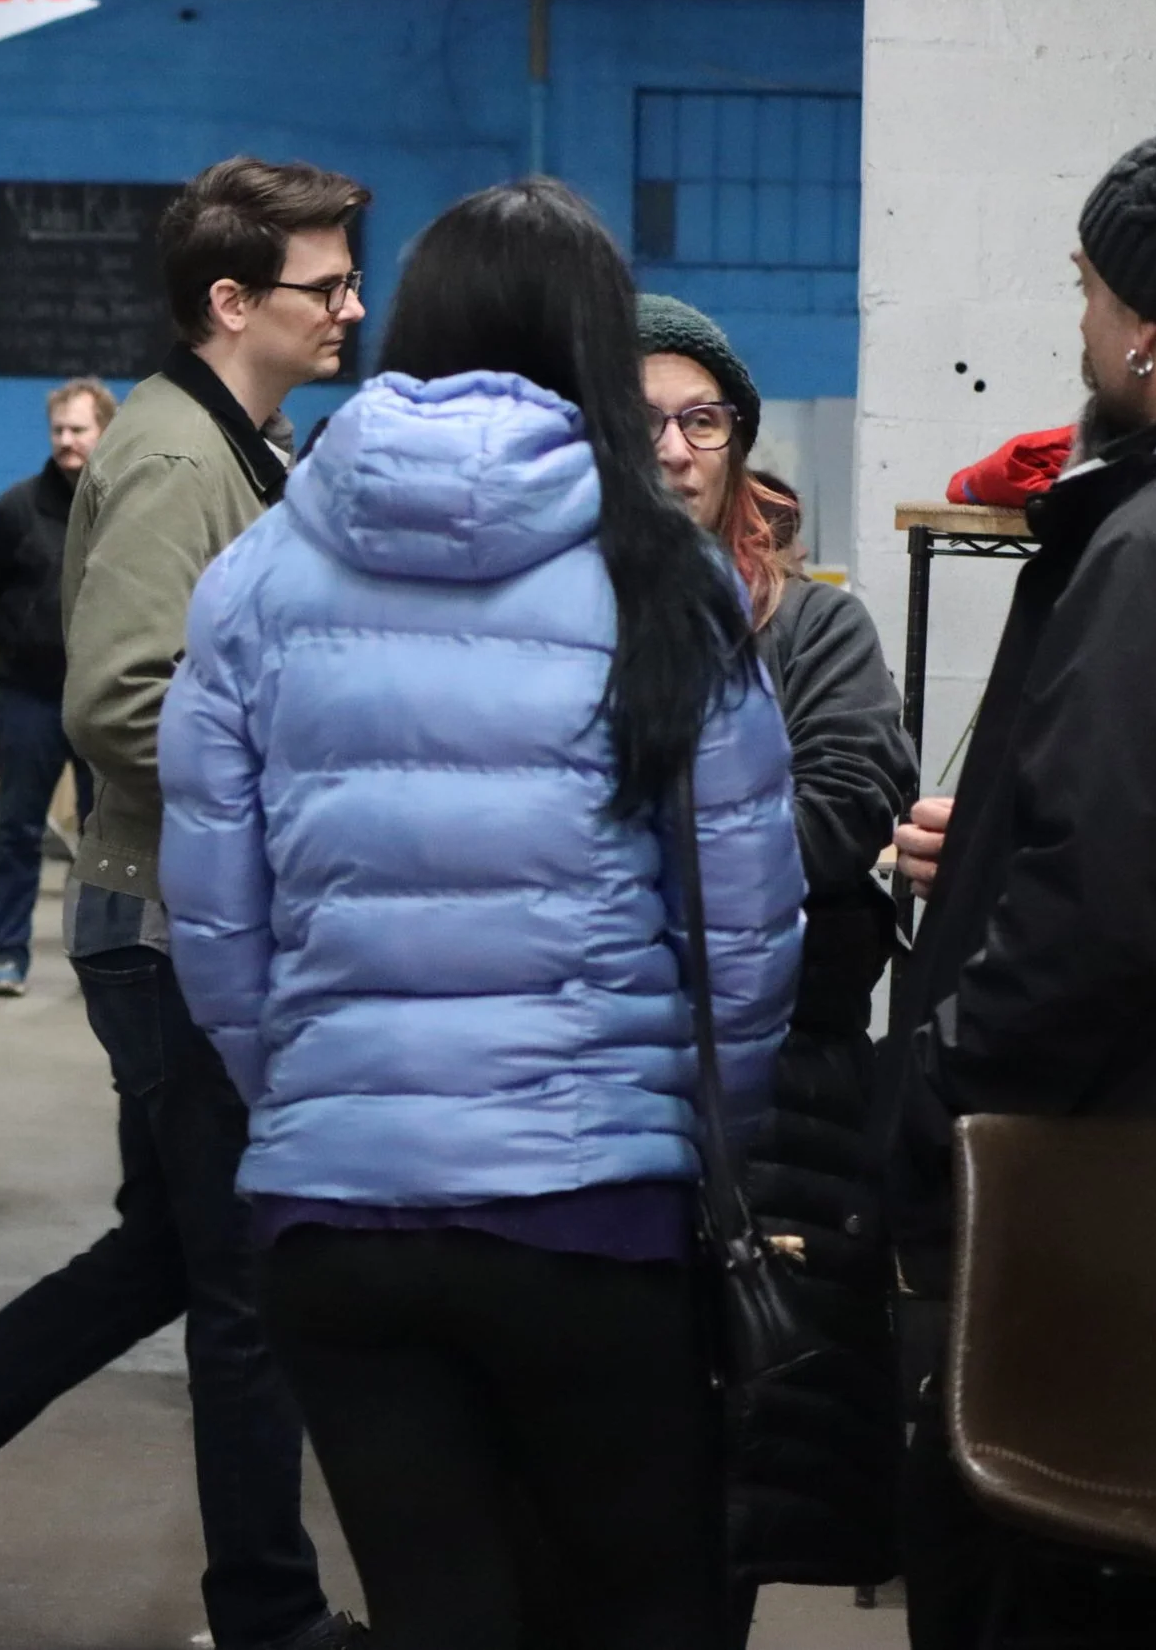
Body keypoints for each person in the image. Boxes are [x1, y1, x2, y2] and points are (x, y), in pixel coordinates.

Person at [159, 179, 805, 1650]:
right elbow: (749, 934)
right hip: (595, 1207)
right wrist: (708, 1136)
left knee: (437, 1609)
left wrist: (322, 1093)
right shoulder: (663, 574)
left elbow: (215, 918)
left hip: (338, 1211)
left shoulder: (256, 574)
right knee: (642, 1602)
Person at [0, 156, 370, 1650]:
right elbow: (125, 702)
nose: (352, 305)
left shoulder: (240, 450)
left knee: (167, 1254)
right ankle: (268, 1610)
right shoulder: (181, 457)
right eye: (324, 285)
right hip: (174, 928)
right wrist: (315, 764)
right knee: (243, 1280)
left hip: (189, 919)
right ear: (230, 300)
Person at [887, 120, 1156, 1650]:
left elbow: (1102, 914)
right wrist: (995, 834)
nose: (1079, 315)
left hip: (1134, 1208)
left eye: (1085, 285)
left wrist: (938, 1087)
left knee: (1062, 1581)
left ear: (1140, 320)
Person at [639, 296, 918, 1634]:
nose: (681, 448)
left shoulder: (811, 634)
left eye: (706, 421)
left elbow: (840, 815)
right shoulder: (547, 618)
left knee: (732, 1472)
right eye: (646, 424)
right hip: (605, 1095)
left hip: (771, 1105)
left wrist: (642, 836)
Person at [0, 377, 113, 996]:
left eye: (78, 430)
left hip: (104, 696)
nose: (66, 442)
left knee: (106, 836)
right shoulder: (13, 510)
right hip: (28, 695)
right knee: (20, 829)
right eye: (58, 430)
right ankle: (7, 957)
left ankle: (102, 959)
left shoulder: (126, 506)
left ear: (105, 432)